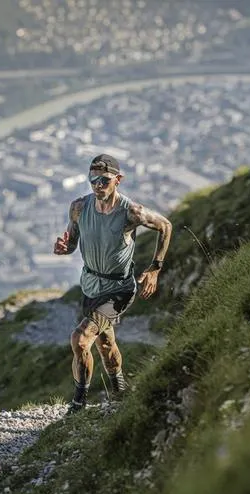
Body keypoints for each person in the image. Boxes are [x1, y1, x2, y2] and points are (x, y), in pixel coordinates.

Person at [53, 154, 172, 414]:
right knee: (105, 344)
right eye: (92, 179)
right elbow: (72, 243)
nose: (97, 185)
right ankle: (120, 390)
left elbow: (165, 226)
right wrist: (63, 248)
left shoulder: (131, 212)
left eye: (104, 180)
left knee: (80, 339)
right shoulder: (78, 208)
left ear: (118, 180)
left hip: (119, 289)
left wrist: (155, 268)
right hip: (90, 285)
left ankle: (78, 404)